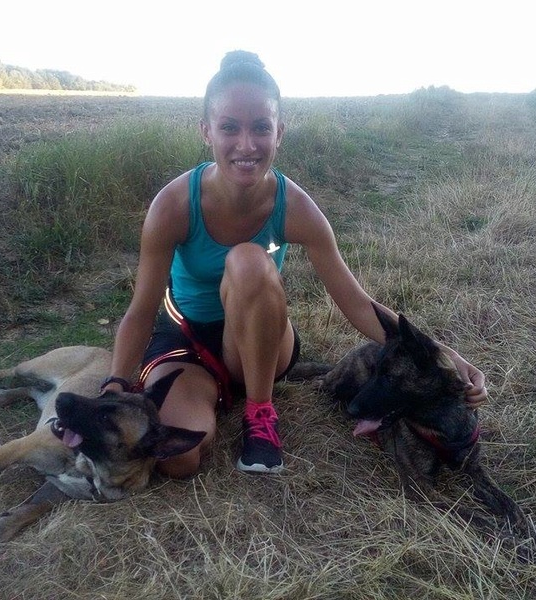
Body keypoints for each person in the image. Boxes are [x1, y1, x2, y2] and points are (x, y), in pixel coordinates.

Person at [101, 50, 487, 478]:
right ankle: (207, 395)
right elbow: (140, 311)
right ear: (206, 131)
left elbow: (357, 304)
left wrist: (443, 356)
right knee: (177, 459)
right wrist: (116, 384)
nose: (246, 145)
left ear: (279, 132)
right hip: (188, 343)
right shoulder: (172, 205)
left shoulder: (297, 208)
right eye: (230, 127)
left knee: (248, 259)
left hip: (262, 345)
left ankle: (259, 412)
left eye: (261, 128)